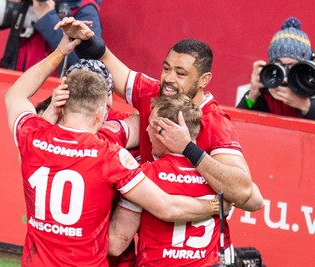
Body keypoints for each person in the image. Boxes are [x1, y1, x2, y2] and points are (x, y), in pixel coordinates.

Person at [5, 31, 222, 266]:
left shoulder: (33, 136)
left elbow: (15, 95)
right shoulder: (111, 156)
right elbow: (166, 207)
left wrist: (60, 52)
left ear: (62, 101)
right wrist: (216, 205)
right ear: (102, 111)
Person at [55, 18, 257, 264]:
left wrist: (188, 149)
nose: (169, 78)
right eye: (166, 68)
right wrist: (86, 39)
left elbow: (247, 193)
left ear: (204, 80)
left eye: (180, 73)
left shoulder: (215, 123)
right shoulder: (155, 94)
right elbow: (108, 61)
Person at [109, 94, 263, 266]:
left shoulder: (144, 175)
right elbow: (256, 200)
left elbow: (118, 242)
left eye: (151, 125)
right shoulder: (217, 177)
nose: (145, 131)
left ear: (164, 132)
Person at [236, 16, 315, 120]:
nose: (286, 72)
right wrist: (252, 96)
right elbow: (239, 126)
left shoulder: (311, 84)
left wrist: (306, 106)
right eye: (280, 65)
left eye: (292, 66)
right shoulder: (268, 91)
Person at [18, 0, 102, 73]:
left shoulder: (86, 9)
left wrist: (47, 18)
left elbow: (88, 66)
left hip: (57, 86)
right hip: (20, 78)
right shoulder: (30, 3)